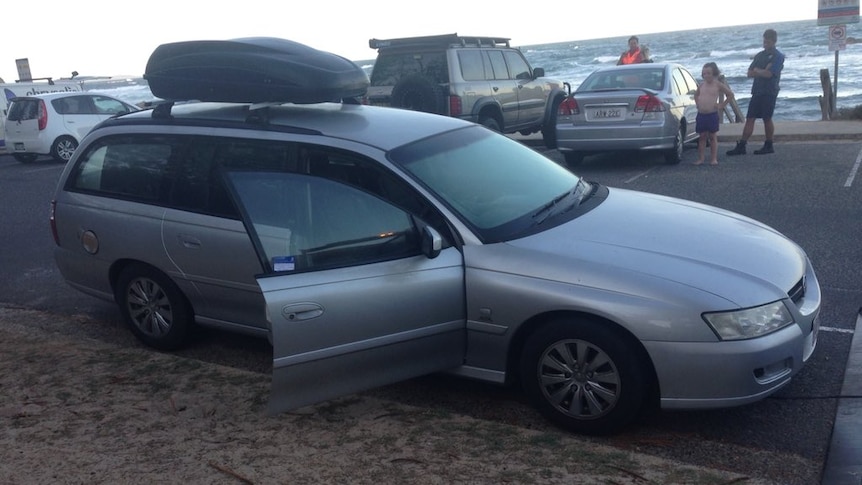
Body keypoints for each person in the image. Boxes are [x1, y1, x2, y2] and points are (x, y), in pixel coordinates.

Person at [726, 28, 785, 156]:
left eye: (768, 42)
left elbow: (770, 74)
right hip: (757, 91)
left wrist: (759, 71)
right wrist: (761, 70)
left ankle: (769, 144)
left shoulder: (778, 56)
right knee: (750, 118)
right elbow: (749, 73)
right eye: (764, 42)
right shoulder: (760, 55)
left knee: (767, 118)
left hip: (770, 91)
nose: (765, 44)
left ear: (774, 41)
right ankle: (742, 145)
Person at [694, 62, 735, 165]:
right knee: (702, 136)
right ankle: (701, 158)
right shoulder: (702, 85)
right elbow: (696, 95)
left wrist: (722, 105)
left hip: (712, 114)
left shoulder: (718, 84)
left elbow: (730, 95)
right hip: (701, 114)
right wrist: (698, 103)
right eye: (704, 73)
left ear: (714, 73)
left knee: (712, 136)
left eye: (709, 73)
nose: (706, 75)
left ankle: (713, 158)